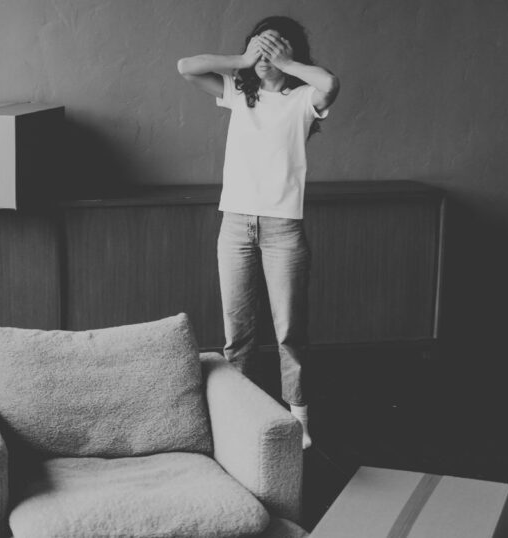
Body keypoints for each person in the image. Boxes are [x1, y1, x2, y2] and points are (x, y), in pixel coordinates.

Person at [177, 16, 339, 449]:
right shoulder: (238, 92)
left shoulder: (303, 99)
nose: (265, 59)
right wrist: (244, 59)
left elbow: (329, 83)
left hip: (282, 227)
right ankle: (241, 417)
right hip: (235, 225)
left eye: (274, 50)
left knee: (289, 331)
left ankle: (299, 420)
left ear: (290, 54)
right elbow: (185, 67)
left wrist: (287, 61)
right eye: (259, 50)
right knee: (239, 334)